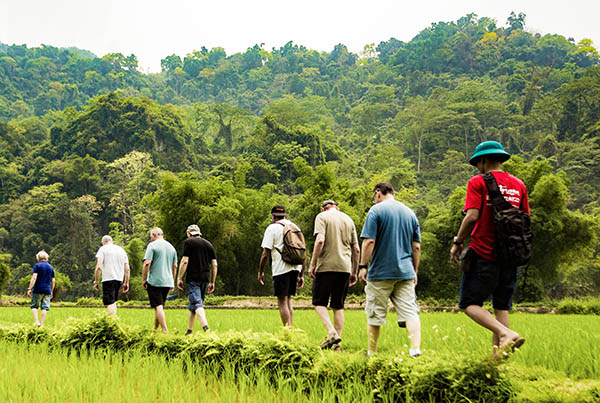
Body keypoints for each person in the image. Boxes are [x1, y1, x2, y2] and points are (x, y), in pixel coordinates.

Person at [450, 141, 528, 354]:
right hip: (511, 256)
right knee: (501, 306)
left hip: (484, 253)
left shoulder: (478, 182)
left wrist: (458, 241)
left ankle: (507, 334)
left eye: (478, 163)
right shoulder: (519, 185)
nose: (478, 167)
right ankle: (497, 363)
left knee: (468, 303)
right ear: (500, 159)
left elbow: (472, 216)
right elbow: (525, 219)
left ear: (483, 161)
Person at [359, 182, 422, 357]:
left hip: (380, 272)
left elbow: (369, 241)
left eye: (374, 196)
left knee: (375, 313)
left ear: (378, 193)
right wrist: (414, 271)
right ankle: (415, 349)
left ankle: (372, 352)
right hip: (406, 272)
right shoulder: (410, 213)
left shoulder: (376, 211)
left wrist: (363, 266)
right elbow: (416, 247)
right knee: (410, 311)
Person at [309, 200, 359, 351]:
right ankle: (337, 345)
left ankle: (331, 332)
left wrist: (312, 264)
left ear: (323, 208)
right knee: (338, 305)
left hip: (326, 266)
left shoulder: (322, 217)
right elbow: (356, 249)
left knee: (319, 302)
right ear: (337, 207)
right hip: (344, 267)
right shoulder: (348, 219)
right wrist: (354, 271)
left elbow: (320, 241)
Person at [258, 205, 304, 326]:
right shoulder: (295, 227)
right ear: (285, 215)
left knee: (282, 300)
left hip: (281, 268)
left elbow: (265, 253)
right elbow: (303, 250)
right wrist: (301, 274)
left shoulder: (272, 228)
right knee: (289, 300)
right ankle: (291, 329)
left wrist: (261, 271)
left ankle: (286, 330)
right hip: (295, 267)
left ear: (273, 217)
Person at [177, 224, 218, 335]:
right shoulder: (208, 244)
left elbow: (184, 261)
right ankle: (189, 331)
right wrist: (212, 281)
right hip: (205, 278)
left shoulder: (188, 243)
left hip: (193, 278)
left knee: (197, 303)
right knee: (193, 305)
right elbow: (214, 265)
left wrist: (179, 278)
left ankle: (207, 329)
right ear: (199, 233)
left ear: (189, 234)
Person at [142, 227, 177, 333]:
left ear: (154, 235)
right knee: (160, 305)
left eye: (151, 236)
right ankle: (155, 328)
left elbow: (147, 263)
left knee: (158, 305)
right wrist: (172, 280)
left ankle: (164, 329)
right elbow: (175, 266)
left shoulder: (152, 246)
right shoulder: (171, 247)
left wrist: (144, 279)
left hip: (155, 281)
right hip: (167, 281)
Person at [93, 235, 130, 315]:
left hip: (108, 279)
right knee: (113, 301)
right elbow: (127, 269)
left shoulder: (103, 249)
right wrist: (126, 282)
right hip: (119, 279)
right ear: (111, 241)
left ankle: (112, 322)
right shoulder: (121, 250)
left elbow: (99, 267)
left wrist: (96, 281)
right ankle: (113, 320)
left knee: (109, 302)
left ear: (103, 242)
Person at [27, 251, 55, 327]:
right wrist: (51, 291)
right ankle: (42, 324)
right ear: (46, 258)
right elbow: (53, 280)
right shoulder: (50, 267)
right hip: (47, 290)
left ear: (38, 258)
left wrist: (30, 288)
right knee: (44, 307)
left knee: (34, 306)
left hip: (38, 289)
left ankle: (36, 321)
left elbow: (34, 277)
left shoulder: (37, 266)